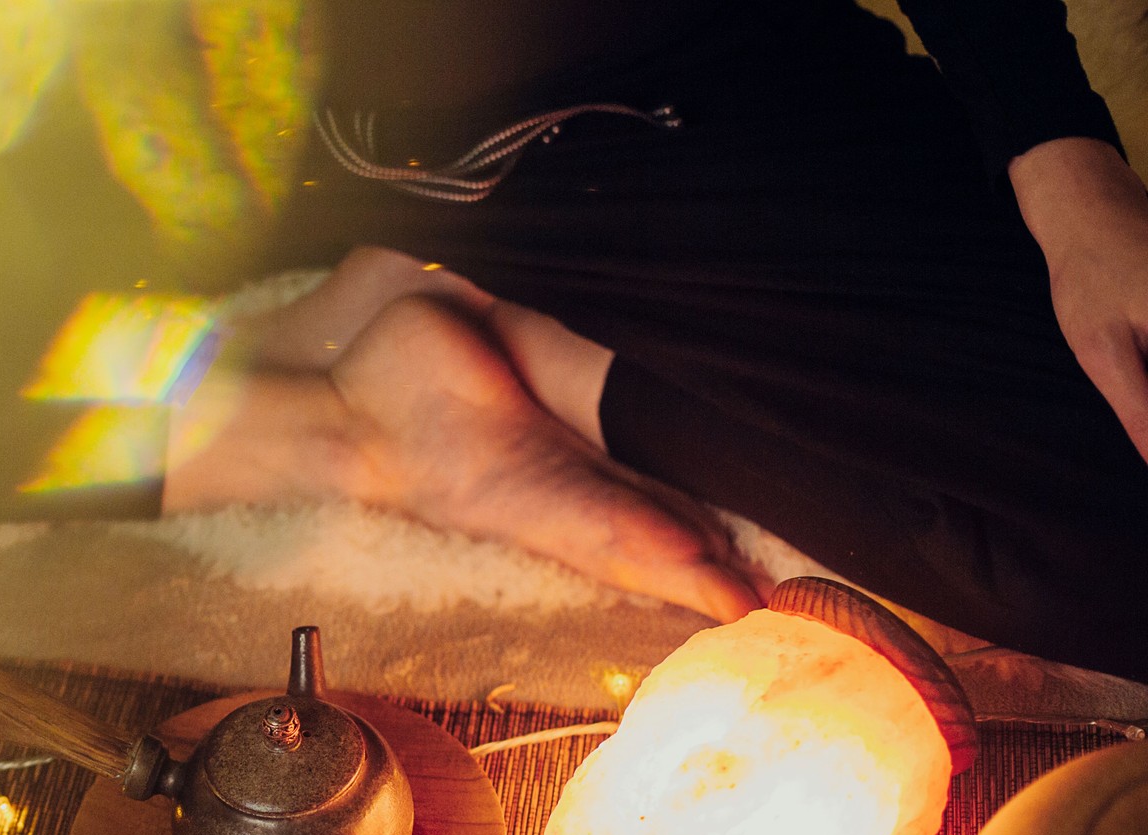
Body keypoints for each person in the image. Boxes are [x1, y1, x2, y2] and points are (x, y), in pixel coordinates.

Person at [161, 0, 1148, 682]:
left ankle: (479, 342)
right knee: (14, 420)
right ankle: (358, 421)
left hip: (698, 94)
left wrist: (1066, 166)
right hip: (353, 144)